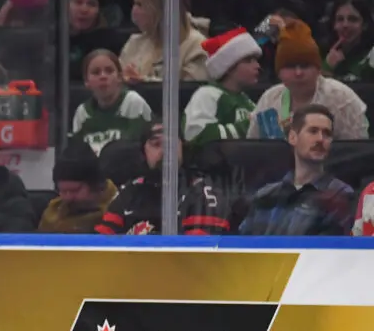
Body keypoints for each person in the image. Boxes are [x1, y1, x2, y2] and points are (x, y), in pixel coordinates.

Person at [239, 104, 355, 235]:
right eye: (313, 131)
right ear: (293, 137)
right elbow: (244, 244)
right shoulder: (266, 194)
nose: (320, 139)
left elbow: (329, 251)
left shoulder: (339, 194)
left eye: (327, 134)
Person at [96, 122, 229, 235]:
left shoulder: (203, 194)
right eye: (156, 144)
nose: (165, 151)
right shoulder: (129, 193)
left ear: (182, 148)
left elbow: (197, 254)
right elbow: (100, 247)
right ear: (144, 152)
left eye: (171, 144)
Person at [182, 27, 261, 146]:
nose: (257, 66)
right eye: (249, 60)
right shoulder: (207, 95)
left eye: (256, 60)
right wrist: (252, 126)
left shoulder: (247, 102)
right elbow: (196, 134)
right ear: (228, 67)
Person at [71, 49, 152, 155]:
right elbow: (77, 155)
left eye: (109, 71)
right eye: (96, 72)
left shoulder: (133, 102)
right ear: (86, 81)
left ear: (119, 77)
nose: (103, 76)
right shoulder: (82, 113)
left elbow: (140, 151)